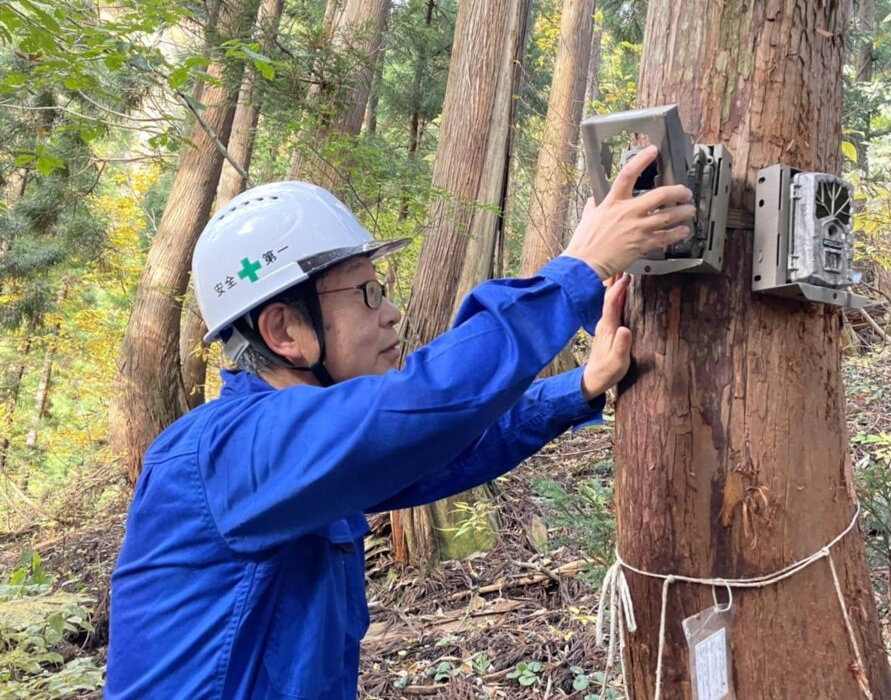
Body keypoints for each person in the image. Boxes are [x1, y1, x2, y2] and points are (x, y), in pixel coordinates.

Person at [105, 146, 694, 699]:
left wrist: (582, 386)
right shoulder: (226, 451)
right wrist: (580, 269)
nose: (392, 313)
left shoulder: (304, 457)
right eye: (366, 293)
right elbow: (422, 404)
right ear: (284, 331)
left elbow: (449, 446)